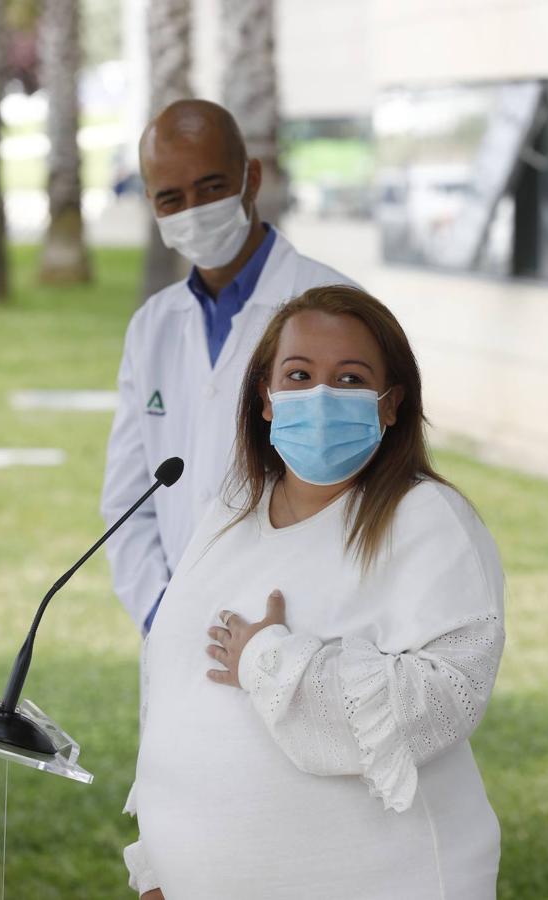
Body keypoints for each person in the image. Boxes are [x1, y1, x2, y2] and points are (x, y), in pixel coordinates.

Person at [125, 285, 505, 899]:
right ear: (267, 398)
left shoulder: (429, 520)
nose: (321, 396)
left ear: (391, 404)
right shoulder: (231, 513)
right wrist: (157, 865)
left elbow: (445, 700)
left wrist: (271, 661)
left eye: (351, 379)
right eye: (298, 374)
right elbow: (169, 686)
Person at [101, 99, 356, 635]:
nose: (193, 208)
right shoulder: (154, 326)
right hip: (175, 630)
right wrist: (160, 612)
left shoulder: (334, 308)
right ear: (151, 204)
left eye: (212, 187)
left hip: (295, 630)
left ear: (251, 179)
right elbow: (129, 499)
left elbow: (362, 490)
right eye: (171, 198)